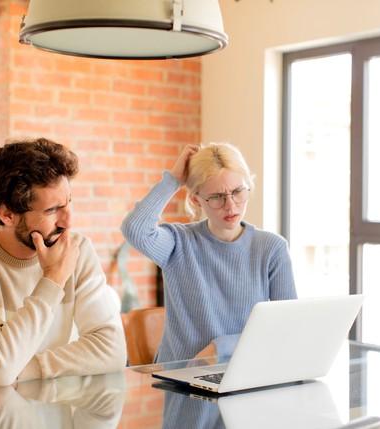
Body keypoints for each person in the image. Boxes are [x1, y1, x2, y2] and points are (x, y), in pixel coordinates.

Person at [0, 138, 127, 387]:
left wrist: (28, 369)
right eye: (52, 210)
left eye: (68, 203)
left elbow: (113, 351)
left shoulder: (78, 249)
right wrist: (53, 278)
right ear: (7, 214)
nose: (68, 222)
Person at [120, 142, 297, 363]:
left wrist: (220, 348)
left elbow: (286, 327)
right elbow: (134, 228)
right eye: (216, 197)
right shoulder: (179, 243)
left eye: (238, 192)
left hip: (244, 375)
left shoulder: (272, 248)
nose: (231, 206)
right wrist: (173, 180)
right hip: (183, 384)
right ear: (196, 199)